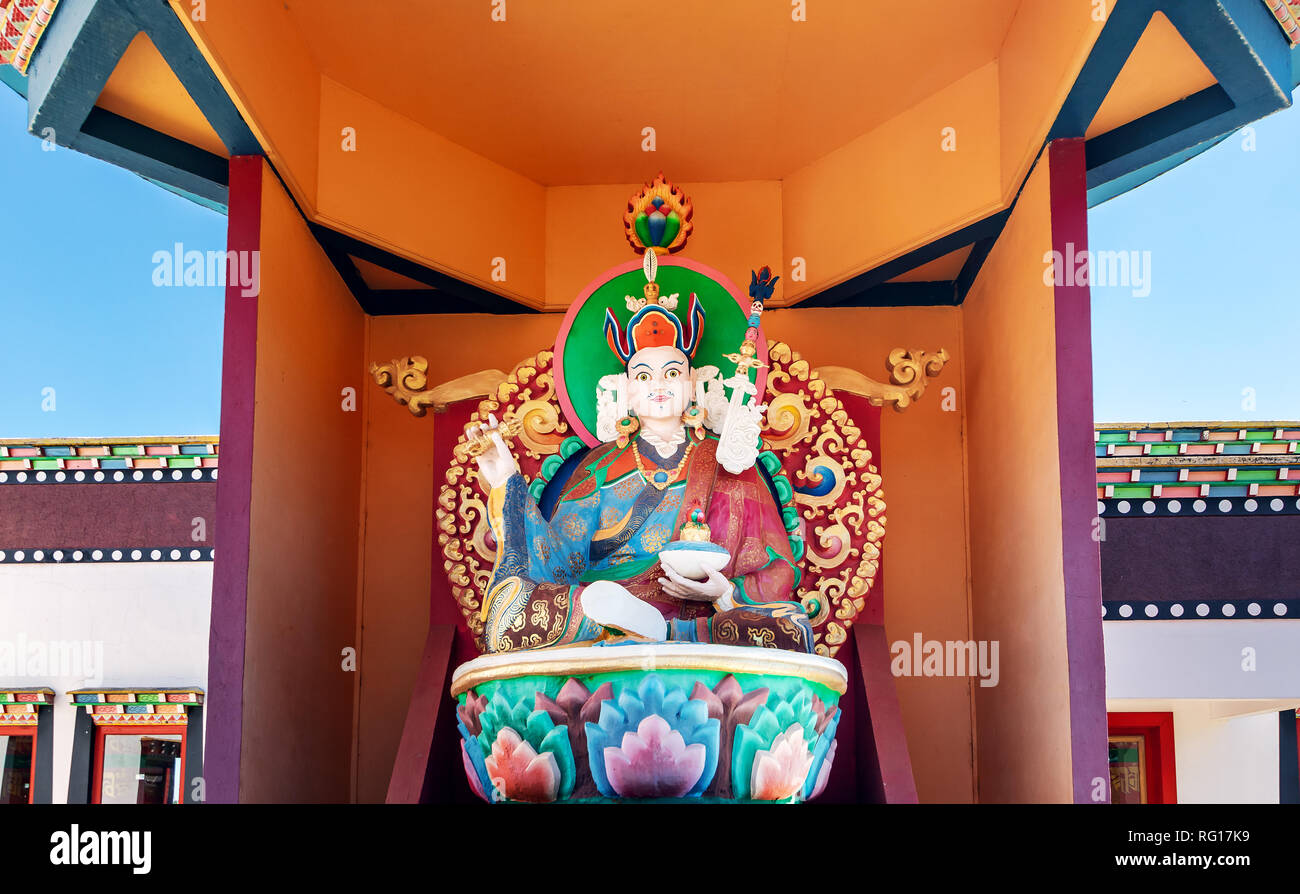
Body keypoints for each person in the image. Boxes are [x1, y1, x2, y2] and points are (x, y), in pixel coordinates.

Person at [470, 270, 812, 654]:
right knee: (509, 618)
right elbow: (559, 558)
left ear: (691, 383)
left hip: (706, 616)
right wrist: (506, 481)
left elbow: (779, 569)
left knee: (789, 626)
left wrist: (725, 592)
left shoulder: (728, 460)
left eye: (672, 373)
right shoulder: (600, 465)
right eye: (644, 376)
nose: (659, 386)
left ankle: (661, 634)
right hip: (607, 607)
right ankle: (635, 624)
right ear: (628, 390)